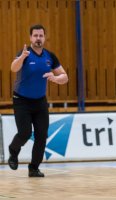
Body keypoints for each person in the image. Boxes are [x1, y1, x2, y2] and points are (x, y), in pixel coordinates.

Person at [8, 24, 68, 177]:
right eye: (35, 36)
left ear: (44, 37)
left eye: (41, 35)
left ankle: (34, 168)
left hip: (40, 102)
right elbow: (13, 68)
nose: (38, 38)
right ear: (30, 38)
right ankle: (13, 151)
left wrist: (55, 78)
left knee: (42, 135)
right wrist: (21, 57)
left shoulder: (50, 56)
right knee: (25, 133)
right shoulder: (24, 53)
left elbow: (65, 77)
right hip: (21, 100)